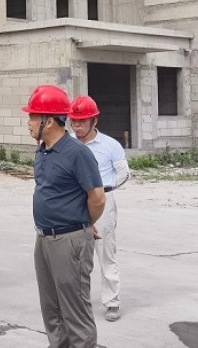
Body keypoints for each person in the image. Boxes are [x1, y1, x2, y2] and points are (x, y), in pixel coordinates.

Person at [24, 85, 105, 348]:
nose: (28, 122)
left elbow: (97, 197)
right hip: (44, 238)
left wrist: (84, 225)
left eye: (33, 117)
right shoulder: (42, 150)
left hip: (69, 241)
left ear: (48, 121)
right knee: (51, 307)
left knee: (75, 309)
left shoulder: (77, 153)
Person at [69, 95, 130, 322]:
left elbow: (124, 174)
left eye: (82, 121)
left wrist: (104, 190)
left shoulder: (110, 146)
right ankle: (75, 302)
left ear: (94, 121)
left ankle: (111, 302)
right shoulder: (68, 144)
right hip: (74, 203)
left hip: (103, 203)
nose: (77, 126)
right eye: (74, 121)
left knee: (105, 252)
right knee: (73, 255)